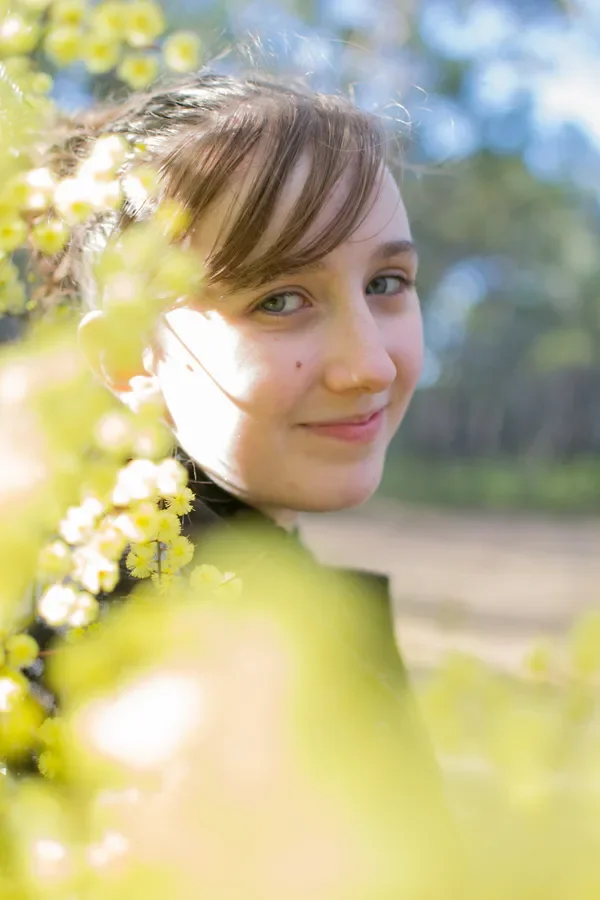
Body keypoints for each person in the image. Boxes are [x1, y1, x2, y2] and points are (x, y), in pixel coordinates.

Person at [26, 69, 467, 895]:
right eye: (281, 299)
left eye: (386, 284)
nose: (369, 365)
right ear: (129, 356)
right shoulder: (145, 678)